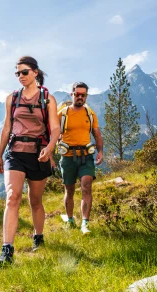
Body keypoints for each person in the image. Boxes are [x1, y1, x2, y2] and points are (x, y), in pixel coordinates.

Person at [0, 56, 61, 267]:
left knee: (35, 201)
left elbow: (56, 127)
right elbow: (6, 128)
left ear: (35, 72)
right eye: (17, 73)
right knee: (12, 197)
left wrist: (50, 149)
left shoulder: (47, 99)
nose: (20, 77)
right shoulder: (12, 99)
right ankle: (7, 250)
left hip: (39, 153)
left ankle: (38, 236)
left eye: (24, 72)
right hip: (15, 153)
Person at [57, 82, 103, 234]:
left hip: (86, 156)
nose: (80, 97)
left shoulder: (90, 114)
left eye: (83, 95)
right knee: (69, 190)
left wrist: (100, 151)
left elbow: (96, 133)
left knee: (86, 186)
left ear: (86, 96)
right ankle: (70, 220)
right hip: (67, 157)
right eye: (77, 94)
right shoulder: (62, 114)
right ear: (72, 95)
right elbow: (53, 134)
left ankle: (85, 223)